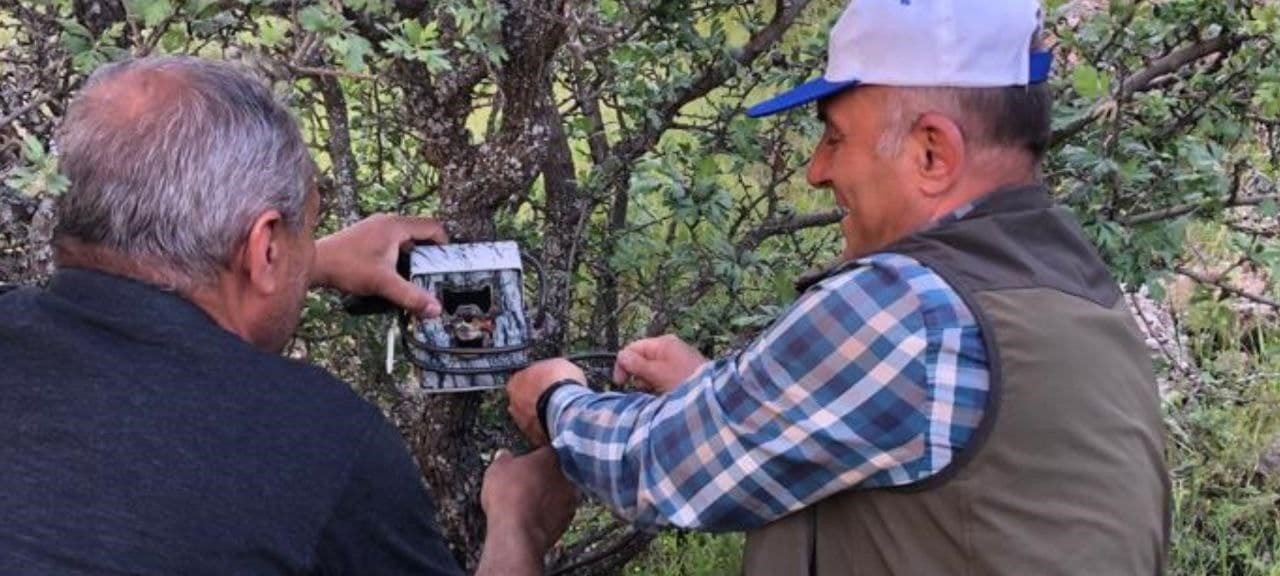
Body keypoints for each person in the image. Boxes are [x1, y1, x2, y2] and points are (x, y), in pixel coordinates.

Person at [506, 0, 1170, 574]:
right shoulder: (1073, 287)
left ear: (932, 153)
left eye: (834, 137)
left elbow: (652, 466)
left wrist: (555, 401)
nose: (816, 170)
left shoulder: (913, 305)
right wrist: (715, 394)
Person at [0, 56, 576, 575]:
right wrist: (517, 528)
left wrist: (307, 262)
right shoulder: (323, 447)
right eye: (306, 227)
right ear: (265, 246)